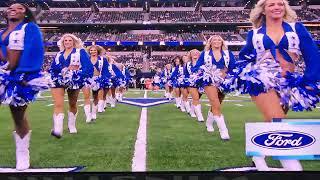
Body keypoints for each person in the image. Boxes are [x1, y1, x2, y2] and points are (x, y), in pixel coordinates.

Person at [223, 0, 320, 171]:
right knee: (277, 120)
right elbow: (245, 57)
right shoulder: (254, 34)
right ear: (264, 10)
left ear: (285, 8)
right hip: (261, 79)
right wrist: (241, 74)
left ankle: (257, 157)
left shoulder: (297, 28)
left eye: (280, 4)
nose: (277, 7)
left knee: (272, 121)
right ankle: (293, 166)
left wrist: (310, 80)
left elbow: (312, 54)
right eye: (272, 4)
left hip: (289, 83)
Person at [0, 3, 48, 170]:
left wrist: (24, 72)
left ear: (25, 13)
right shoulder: (2, 33)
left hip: (21, 75)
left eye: (20, 7)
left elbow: (34, 50)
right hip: (3, 73)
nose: (14, 8)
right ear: (6, 13)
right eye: (11, 7)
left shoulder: (30, 28)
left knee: (18, 116)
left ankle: (22, 153)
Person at [49, 33, 93, 138]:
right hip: (59, 80)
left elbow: (87, 66)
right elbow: (53, 68)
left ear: (74, 42)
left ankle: (71, 125)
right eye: (65, 40)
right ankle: (58, 130)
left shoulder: (80, 52)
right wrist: (58, 73)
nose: (67, 42)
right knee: (58, 104)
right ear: (62, 43)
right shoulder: (59, 54)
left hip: (74, 80)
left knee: (72, 103)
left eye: (70, 40)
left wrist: (78, 75)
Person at [193, 35, 236, 140]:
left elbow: (233, 67)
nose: (217, 41)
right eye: (214, 40)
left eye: (219, 40)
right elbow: (197, 66)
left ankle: (209, 123)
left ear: (222, 42)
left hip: (224, 81)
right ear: (210, 42)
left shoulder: (228, 53)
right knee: (215, 102)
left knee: (217, 103)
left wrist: (227, 75)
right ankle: (223, 130)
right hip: (209, 80)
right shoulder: (205, 54)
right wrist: (206, 71)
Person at [82, 45, 111, 122]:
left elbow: (106, 70)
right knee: (86, 97)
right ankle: (88, 116)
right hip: (87, 79)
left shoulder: (103, 59)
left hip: (98, 79)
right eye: (91, 50)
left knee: (95, 97)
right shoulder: (86, 59)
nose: (93, 52)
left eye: (94, 50)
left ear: (98, 51)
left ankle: (94, 113)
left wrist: (103, 78)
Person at [185, 49, 204, 121]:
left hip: (201, 83)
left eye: (197, 53)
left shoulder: (202, 62)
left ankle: (192, 111)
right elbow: (186, 74)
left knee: (197, 98)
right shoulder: (188, 64)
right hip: (191, 83)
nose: (195, 54)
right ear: (190, 54)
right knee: (195, 98)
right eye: (193, 53)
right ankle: (200, 115)